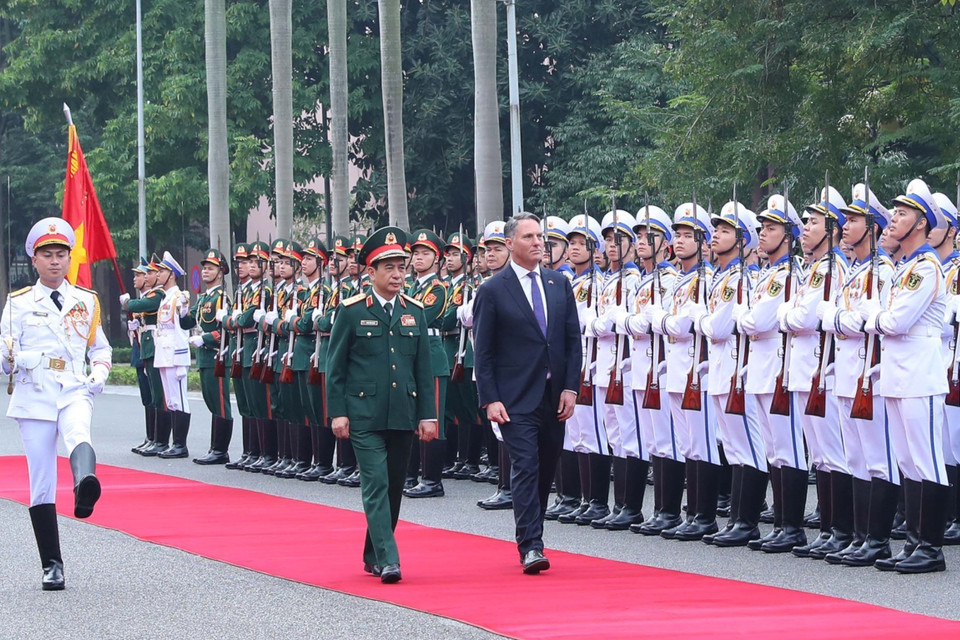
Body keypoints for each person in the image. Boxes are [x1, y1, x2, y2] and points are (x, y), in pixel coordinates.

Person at [1, 217, 112, 590]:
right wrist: (8, 357)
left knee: (79, 429)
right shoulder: (17, 303)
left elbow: (100, 348)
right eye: (46, 254)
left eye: (60, 254)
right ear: (34, 259)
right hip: (34, 393)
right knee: (42, 480)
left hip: (73, 386)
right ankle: (52, 565)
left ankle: (85, 485)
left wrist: (98, 374)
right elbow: (4, 351)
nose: (54, 261)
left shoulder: (87, 300)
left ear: (70, 258)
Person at [325, 227, 438, 584]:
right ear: (370, 273)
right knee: (374, 483)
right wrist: (338, 412)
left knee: (392, 486)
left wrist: (428, 415)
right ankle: (389, 558)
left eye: (401, 267)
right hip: (364, 414)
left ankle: (373, 552)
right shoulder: (352, 311)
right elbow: (336, 367)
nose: (397, 274)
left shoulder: (414, 312)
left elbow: (423, 368)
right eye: (388, 267)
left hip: (402, 412)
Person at [473, 212, 582, 573]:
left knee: (546, 467)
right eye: (529, 237)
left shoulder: (558, 284)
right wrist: (490, 398)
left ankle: (534, 531)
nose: (538, 243)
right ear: (510, 244)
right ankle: (531, 545)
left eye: (540, 237)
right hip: (514, 398)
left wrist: (570, 387)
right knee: (525, 466)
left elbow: (571, 340)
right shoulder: (492, 290)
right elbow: (483, 351)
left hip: (553, 396)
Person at [863, 179, 950, 573]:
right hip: (898, 371)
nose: (893, 219)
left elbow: (896, 320)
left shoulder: (926, 267)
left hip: (919, 371)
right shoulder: (904, 267)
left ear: (920, 224)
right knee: (908, 461)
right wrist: (879, 320)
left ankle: (931, 547)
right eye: (894, 213)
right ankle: (915, 541)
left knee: (927, 459)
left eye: (901, 214)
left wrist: (872, 319)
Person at [183, 248, 233, 465]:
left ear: (220, 272)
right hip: (204, 357)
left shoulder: (221, 297)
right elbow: (188, 323)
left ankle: (221, 450)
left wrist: (206, 339)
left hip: (216, 355)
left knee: (220, 403)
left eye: (210, 268)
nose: (205, 271)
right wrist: (183, 311)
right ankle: (215, 447)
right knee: (211, 401)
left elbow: (226, 331)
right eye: (204, 267)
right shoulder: (204, 297)